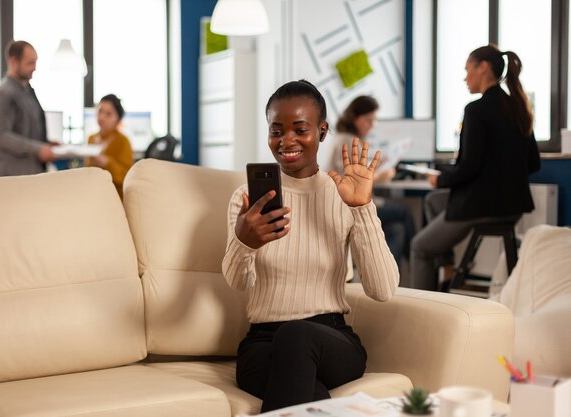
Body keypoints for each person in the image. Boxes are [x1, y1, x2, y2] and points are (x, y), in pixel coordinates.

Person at [222, 80, 399, 412]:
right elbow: (237, 282)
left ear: (321, 131)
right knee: (302, 381)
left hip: (331, 339)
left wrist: (361, 208)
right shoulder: (247, 199)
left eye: (299, 129)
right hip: (262, 343)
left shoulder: (343, 194)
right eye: (276, 131)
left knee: (298, 336)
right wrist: (245, 242)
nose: (286, 141)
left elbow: (383, 289)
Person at [410, 44, 541, 291]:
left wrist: (441, 179)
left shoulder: (476, 110)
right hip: (514, 206)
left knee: (420, 247)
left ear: (483, 67)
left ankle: (423, 308)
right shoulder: (518, 107)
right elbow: (533, 163)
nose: (464, 76)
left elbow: (469, 167)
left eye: (467, 69)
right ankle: (448, 267)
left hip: (484, 205)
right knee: (433, 201)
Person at [331, 96, 415, 266]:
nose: (371, 125)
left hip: (354, 202)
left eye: (373, 120)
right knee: (404, 212)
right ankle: (417, 262)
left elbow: (357, 175)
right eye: (368, 120)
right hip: (347, 205)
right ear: (354, 118)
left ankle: (390, 280)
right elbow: (353, 185)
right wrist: (380, 176)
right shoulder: (348, 141)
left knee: (396, 229)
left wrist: (377, 167)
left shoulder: (347, 138)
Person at [0, 40, 56, 176]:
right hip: (14, 177)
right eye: (30, 63)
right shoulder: (3, 94)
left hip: (32, 172)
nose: (35, 67)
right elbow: (0, 136)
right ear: (13, 62)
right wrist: (38, 149)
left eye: (35, 62)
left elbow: (26, 132)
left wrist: (46, 144)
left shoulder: (26, 92)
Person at [85, 94, 133, 198]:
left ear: (118, 119)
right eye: (100, 111)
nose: (102, 117)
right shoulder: (91, 138)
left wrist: (107, 162)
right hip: (94, 194)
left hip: (115, 197)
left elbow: (126, 177)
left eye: (108, 114)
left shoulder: (123, 141)